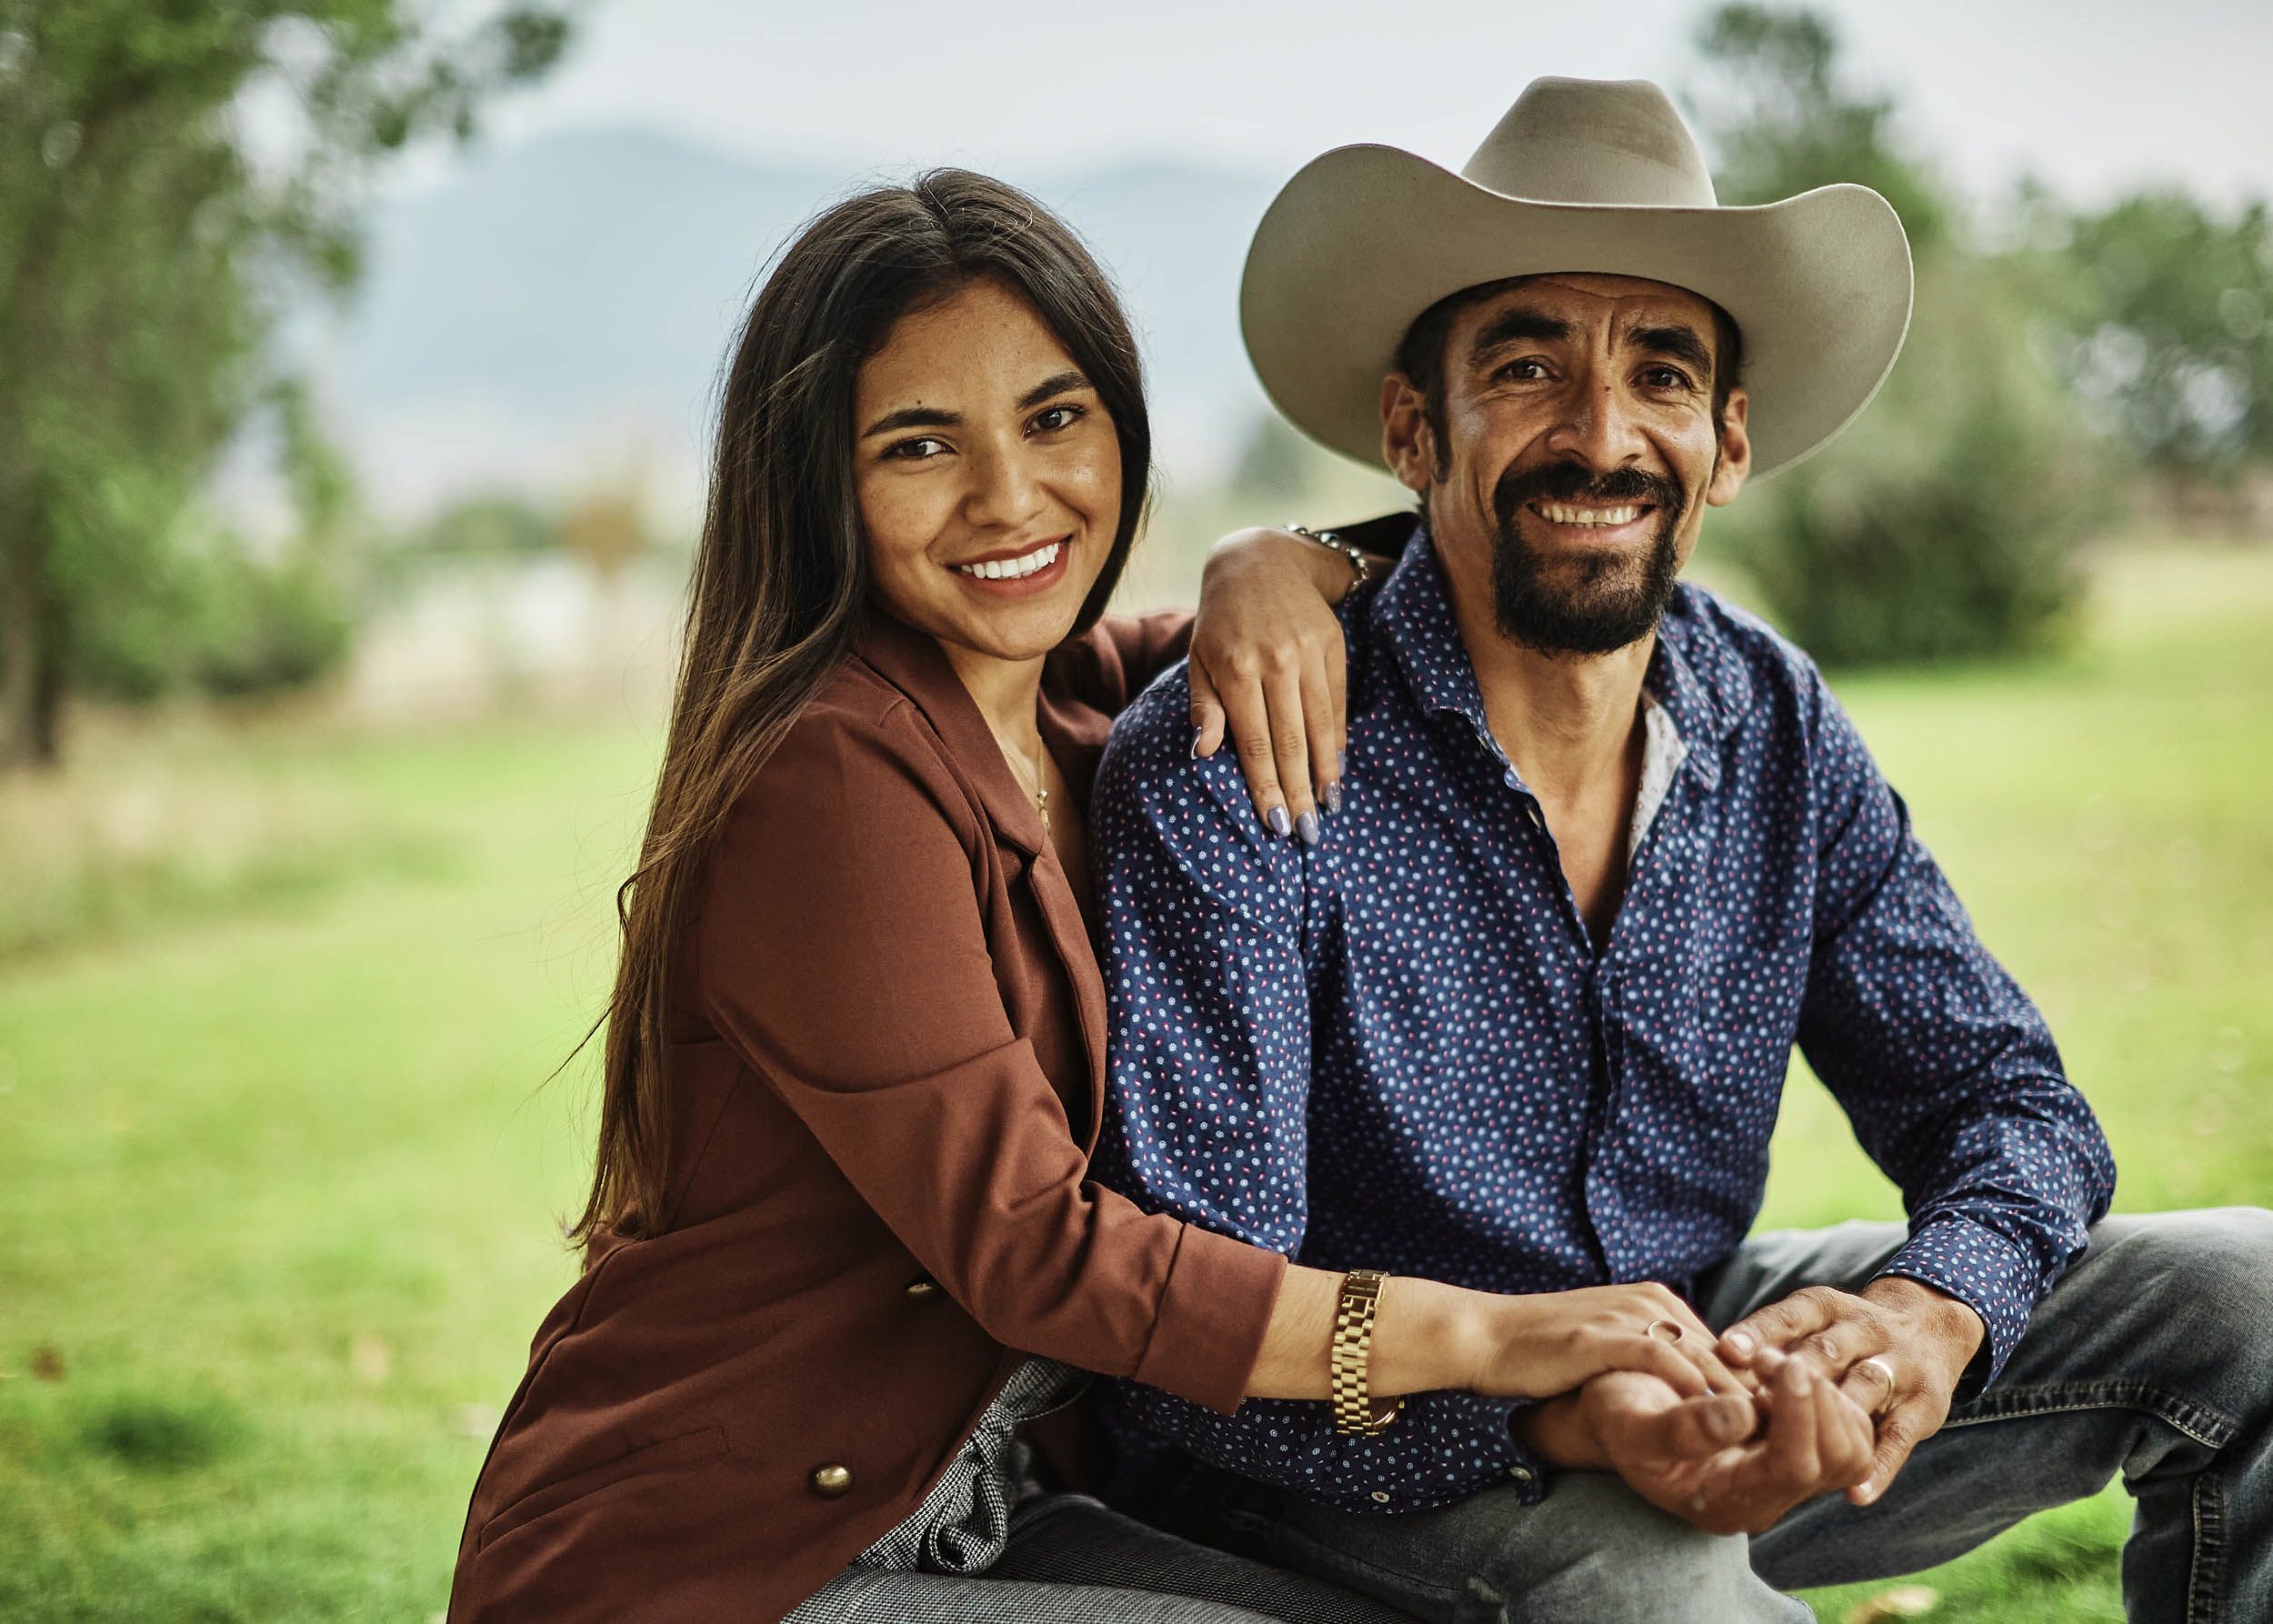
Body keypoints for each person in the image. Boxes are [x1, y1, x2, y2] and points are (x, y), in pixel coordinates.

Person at [445, 168, 1770, 1624]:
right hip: (736, 1555)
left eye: (1055, 418)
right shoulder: (826, 778)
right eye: (918, 445)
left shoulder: (1070, 704)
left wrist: (1277, 556)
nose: (1011, 496)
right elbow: (1044, 1252)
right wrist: (1487, 1336)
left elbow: (1463, 545)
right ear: (822, 479)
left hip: (999, 1500)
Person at [1092, 77, 2273, 1622]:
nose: (1602, 435)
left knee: (2246, 1298)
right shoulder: (1237, 747)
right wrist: (1558, 1405)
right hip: (1346, 1457)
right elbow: (1185, 1324)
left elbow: (2008, 1102)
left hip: (1700, 1350)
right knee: (1671, 1598)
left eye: (1661, 372)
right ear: (1412, 427)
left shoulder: (1772, 723)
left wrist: (1920, 1318)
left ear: (1723, 447)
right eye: (1526, 365)